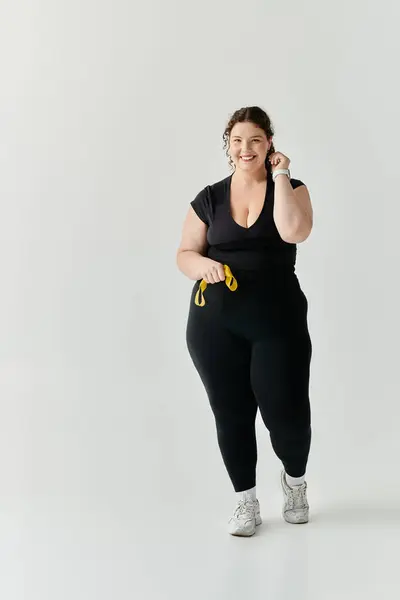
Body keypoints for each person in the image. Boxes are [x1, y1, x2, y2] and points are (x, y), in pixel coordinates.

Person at [176, 106, 313, 536]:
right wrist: (202, 266)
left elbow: (294, 232)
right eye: (237, 140)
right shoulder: (210, 198)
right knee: (230, 413)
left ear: (269, 143)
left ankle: (294, 482)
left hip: (278, 320)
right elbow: (184, 254)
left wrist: (282, 177)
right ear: (228, 146)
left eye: (255, 139)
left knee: (286, 413)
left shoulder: (291, 187)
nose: (245, 148)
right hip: (214, 323)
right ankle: (245, 502)